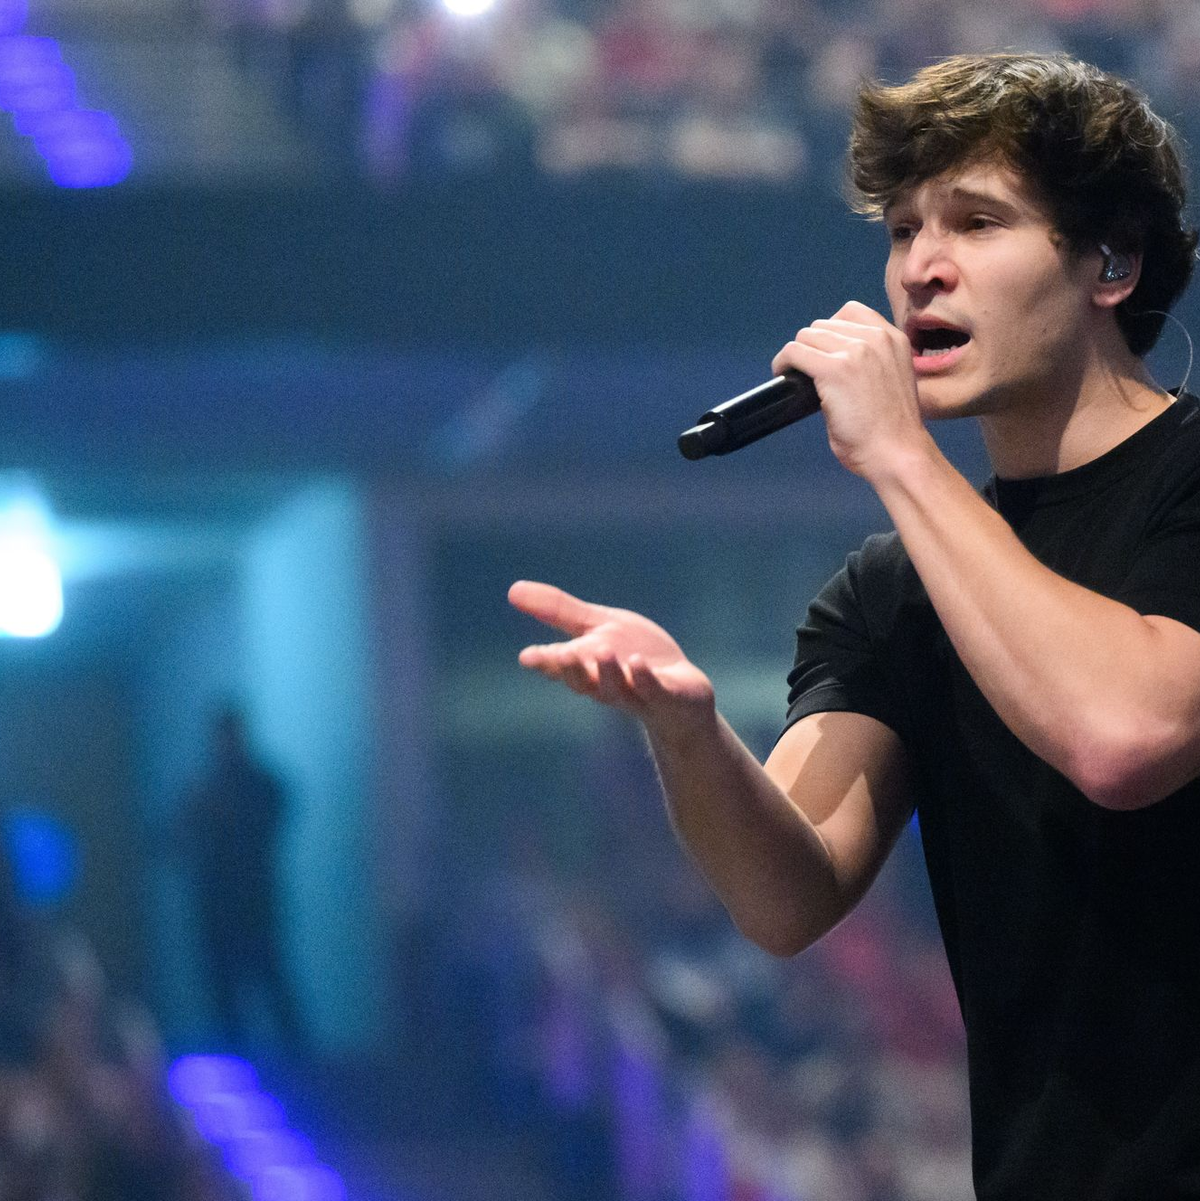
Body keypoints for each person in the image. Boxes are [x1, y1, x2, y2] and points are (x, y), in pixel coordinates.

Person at [508, 53, 1200, 1200]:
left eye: (977, 223)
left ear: (1111, 263)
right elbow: (788, 896)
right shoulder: (894, 589)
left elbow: (1125, 734)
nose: (921, 268)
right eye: (903, 230)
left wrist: (897, 454)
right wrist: (689, 734)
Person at [176, 706, 306, 1057]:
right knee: (227, 999)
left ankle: (303, 1067)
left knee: (272, 987)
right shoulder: (207, 788)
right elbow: (178, 840)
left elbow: (270, 822)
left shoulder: (259, 785)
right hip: (219, 910)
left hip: (253, 907)